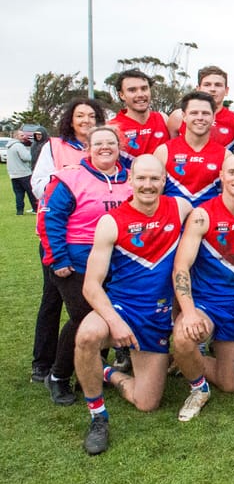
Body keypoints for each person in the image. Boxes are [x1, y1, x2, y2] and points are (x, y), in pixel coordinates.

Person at [74, 155, 193, 455]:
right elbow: (91, 285)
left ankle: (107, 372)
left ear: (165, 181)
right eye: (142, 178)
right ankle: (98, 416)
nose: (148, 185)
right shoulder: (111, 222)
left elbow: (215, 218)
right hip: (123, 308)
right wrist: (114, 322)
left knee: (147, 403)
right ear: (130, 180)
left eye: (155, 179)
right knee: (87, 336)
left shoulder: (180, 208)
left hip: (158, 317)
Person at [170, 155, 234, 421]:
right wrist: (190, 312)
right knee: (183, 335)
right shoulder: (202, 216)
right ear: (221, 177)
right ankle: (198, 388)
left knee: (231, 385)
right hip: (205, 304)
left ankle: (181, 361)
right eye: (232, 172)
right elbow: (181, 267)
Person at [36, 126, 132, 406]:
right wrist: (58, 258)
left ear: (119, 147)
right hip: (76, 262)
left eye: (111, 143)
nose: (105, 148)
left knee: (103, 318)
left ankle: (91, 371)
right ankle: (58, 375)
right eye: (98, 143)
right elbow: (50, 218)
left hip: (115, 263)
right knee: (86, 319)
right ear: (88, 147)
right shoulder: (70, 177)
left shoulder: (128, 179)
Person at [29, 98, 107, 384]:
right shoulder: (56, 146)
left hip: (96, 244)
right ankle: (44, 363)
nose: (86, 120)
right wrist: (69, 179)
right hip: (60, 241)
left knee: (98, 304)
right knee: (53, 301)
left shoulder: (106, 148)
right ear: (70, 120)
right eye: (80, 115)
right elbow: (39, 186)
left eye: (91, 115)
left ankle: (95, 363)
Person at [155, 91, 229, 207]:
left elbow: (228, 199)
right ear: (184, 116)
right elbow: (154, 198)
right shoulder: (163, 152)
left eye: (205, 113)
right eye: (194, 113)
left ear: (213, 117)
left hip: (207, 222)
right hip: (173, 222)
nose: (200, 118)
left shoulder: (226, 156)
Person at [108, 69, 171, 167]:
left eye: (144, 88)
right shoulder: (112, 128)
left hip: (163, 181)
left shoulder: (163, 118)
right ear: (121, 95)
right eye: (132, 90)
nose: (140, 94)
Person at [167, 66, 234, 149]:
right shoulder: (178, 116)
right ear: (198, 89)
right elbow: (170, 151)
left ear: (226, 91)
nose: (212, 89)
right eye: (207, 85)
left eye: (218, 85)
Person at [8, 130, 37, 215]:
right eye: (21, 135)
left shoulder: (9, 146)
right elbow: (26, 157)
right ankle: (35, 209)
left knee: (19, 194)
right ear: (16, 136)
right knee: (31, 192)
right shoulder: (18, 146)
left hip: (13, 175)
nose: (24, 137)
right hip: (24, 173)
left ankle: (19, 211)